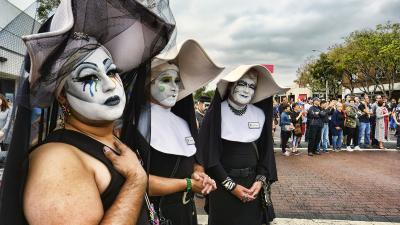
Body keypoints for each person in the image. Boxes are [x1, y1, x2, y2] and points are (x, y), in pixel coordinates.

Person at [0, 0, 175, 224]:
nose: (110, 85)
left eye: (111, 71)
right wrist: (136, 181)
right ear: (62, 95)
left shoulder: (113, 140)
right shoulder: (56, 161)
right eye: (89, 77)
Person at [124, 40, 222, 225]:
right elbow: (136, 182)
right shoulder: (135, 125)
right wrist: (188, 184)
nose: (174, 87)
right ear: (146, 84)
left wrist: (198, 174)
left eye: (177, 80)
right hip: (154, 216)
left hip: (186, 214)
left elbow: (193, 161)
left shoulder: (183, 123)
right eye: (165, 80)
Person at [199, 64, 287, 225]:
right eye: (242, 84)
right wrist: (232, 187)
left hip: (252, 187)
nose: (247, 90)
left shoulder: (259, 115)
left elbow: (266, 153)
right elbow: (209, 157)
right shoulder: (216, 114)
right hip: (223, 187)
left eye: (252, 86)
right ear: (231, 85)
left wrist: (260, 181)